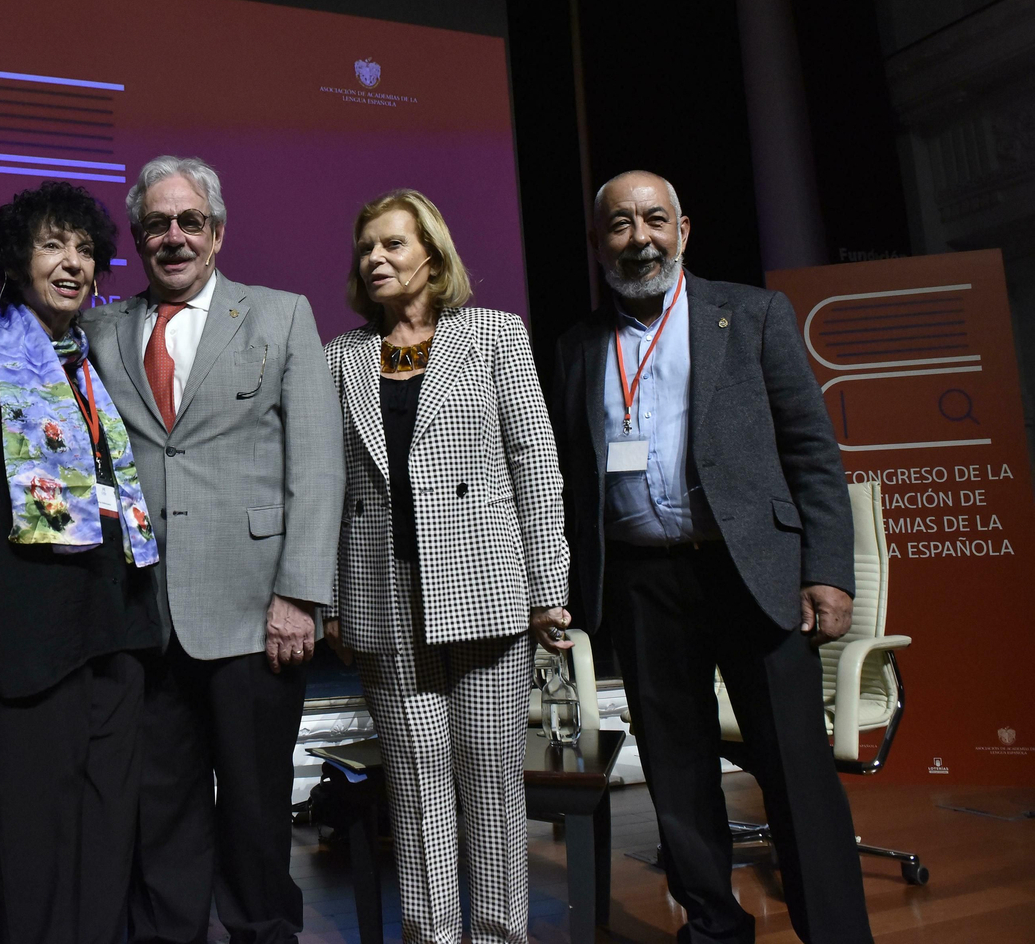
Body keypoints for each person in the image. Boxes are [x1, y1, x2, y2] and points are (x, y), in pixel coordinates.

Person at [0, 156, 345, 944]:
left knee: (257, 817)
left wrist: (301, 595)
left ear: (217, 234)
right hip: (141, 628)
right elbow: (5, 353)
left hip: (255, 611)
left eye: (191, 222)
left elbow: (318, 466)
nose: (175, 237)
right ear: (139, 239)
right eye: (157, 224)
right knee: (163, 820)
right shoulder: (98, 328)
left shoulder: (281, 315)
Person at [550, 170, 873, 944]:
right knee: (677, 768)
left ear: (684, 231)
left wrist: (828, 570)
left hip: (751, 574)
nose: (641, 238)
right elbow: (565, 476)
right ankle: (713, 927)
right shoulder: (575, 345)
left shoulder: (752, 314)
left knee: (794, 768)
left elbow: (811, 453)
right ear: (598, 244)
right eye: (621, 225)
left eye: (655, 220)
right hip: (639, 582)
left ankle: (835, 931)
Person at [320, 189, 570, 944]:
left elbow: (537, 464)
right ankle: (432, 937)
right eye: (368, 249)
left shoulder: (494, 336)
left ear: (432, 254)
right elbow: (328, 489)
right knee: (417, 788)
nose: (377, 259)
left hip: (487, 588)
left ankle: (497, 937)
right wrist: (332, 601)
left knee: (490, 784)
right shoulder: (341, 357)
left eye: (393, 245)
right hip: (383, 593)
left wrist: (546, 587)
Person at [0, 181, 163, 943]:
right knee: (32, 851)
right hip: (19, 648)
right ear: (15, 261)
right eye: (53, 245)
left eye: (86, 248)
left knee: (106, 840)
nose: (73, 263)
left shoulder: (95, 367)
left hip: (112, 638)